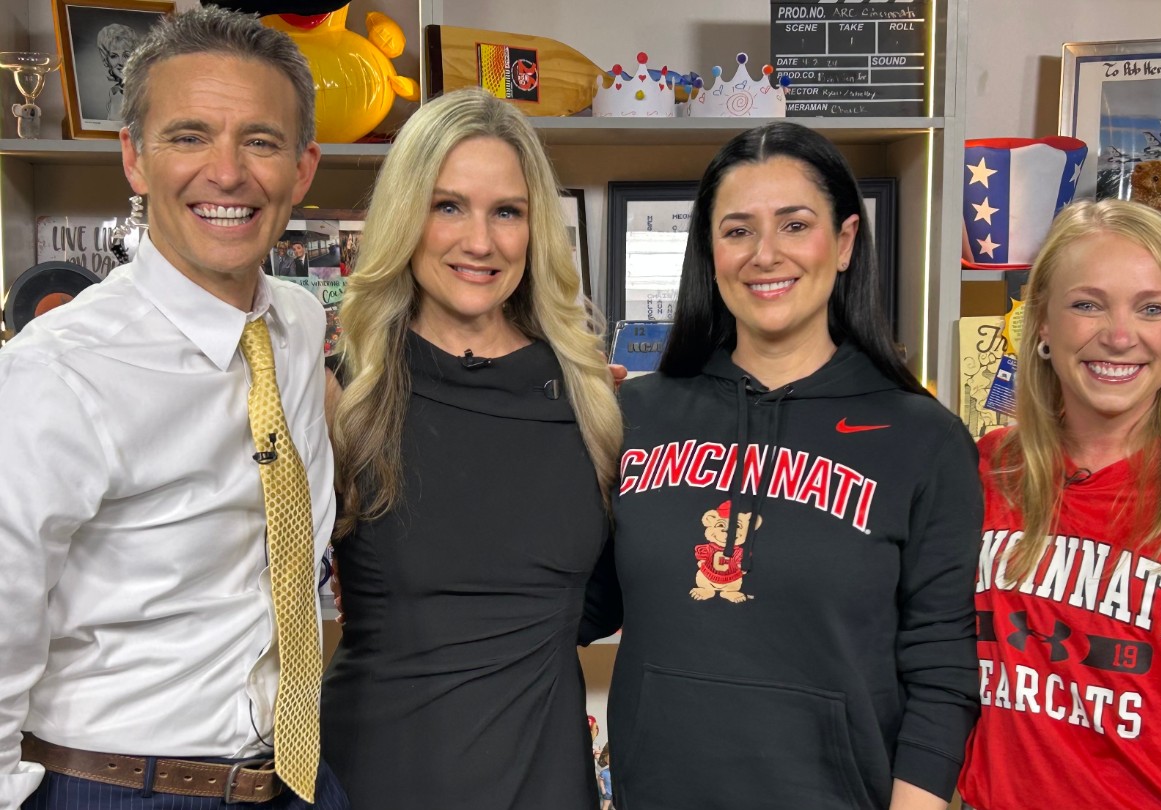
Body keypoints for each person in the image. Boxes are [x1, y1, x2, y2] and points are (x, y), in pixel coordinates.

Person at [0, 7, 349, 808]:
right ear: (134, 158)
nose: (226, 173)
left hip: (296, 775)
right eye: (189, 136)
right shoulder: (56, 373)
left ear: (302, 170)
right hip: (119, 785)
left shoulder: (295, 326)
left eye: (260, 141)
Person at [580, 121, 984, 810]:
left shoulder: (925, 438)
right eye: (737, 231)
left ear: (846, 241)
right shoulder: (634, 415)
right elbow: (576, 606)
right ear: (709, 253)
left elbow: (942, 673)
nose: (765, 255)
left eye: (795, 226)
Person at [320, 88, 622, 810]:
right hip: (377, 775)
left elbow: (605, 596)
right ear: (405, 216)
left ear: (535, 227)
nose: (479, 241)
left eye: (506, 212)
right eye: (448, 205)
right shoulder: (344, 396)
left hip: (544, 780)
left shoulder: (592, 400)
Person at [957, 199, 1161, 810]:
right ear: (1043, 324)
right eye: (1087, 304)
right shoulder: (982, 467)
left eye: (1152, 308)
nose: (1121, 335)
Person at [96, 23, 137, 121]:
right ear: (106, 60)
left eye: (126, 55)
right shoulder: (115, 93)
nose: (121, 62)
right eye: (114, 56)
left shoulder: (143, 92)